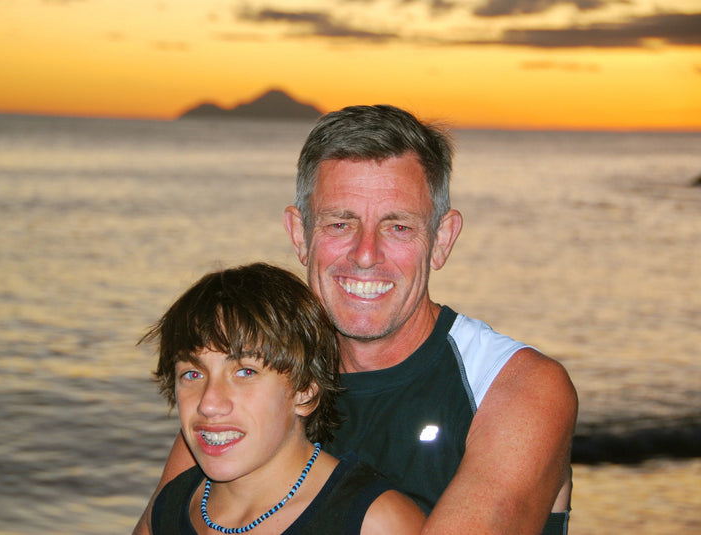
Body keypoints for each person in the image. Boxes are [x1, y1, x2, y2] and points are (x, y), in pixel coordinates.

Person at [134, 105, 577, 535]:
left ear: (441, 240)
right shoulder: (255, 380)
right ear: (299, 234)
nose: (366, 255)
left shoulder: (516, 388)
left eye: (398, 227)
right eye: (340, 224)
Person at [140, 262, 426, 534]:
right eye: (192, 374)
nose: (209, 403)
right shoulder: (170, 509)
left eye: (245, 372)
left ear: (306, 390)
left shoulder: (373, 522)